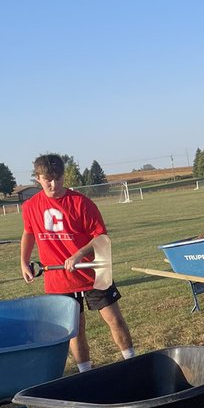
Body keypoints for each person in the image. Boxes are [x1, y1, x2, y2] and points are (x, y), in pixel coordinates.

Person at [20, 153, 135, 372]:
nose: (54, 185)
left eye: (58, 179)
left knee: (113, 319)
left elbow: (102, 238)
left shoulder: (81, 203)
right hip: (59, 280)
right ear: (38, 178)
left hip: (92, 273)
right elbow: (28, 233)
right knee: (75, 329)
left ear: (64, 176)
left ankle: (131, 361)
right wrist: (24, 261)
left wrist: (79, 254)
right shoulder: (31, 206)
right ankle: (85, 372)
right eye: (47, 180)